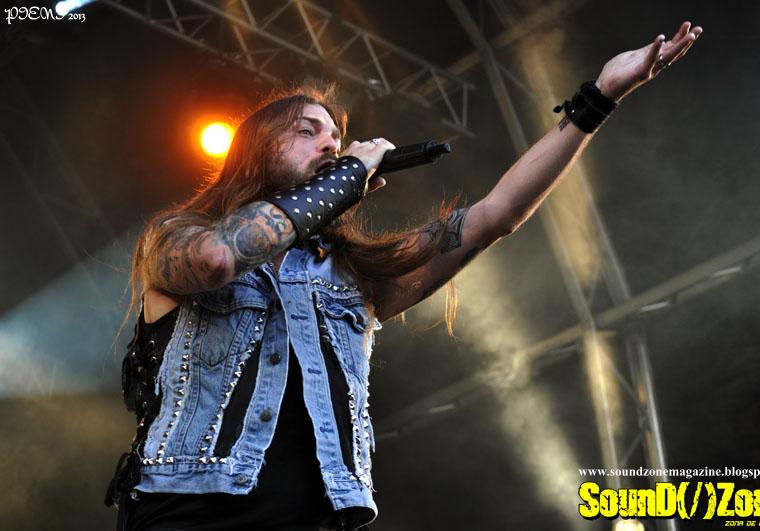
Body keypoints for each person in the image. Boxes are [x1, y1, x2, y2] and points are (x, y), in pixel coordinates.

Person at [104, 21, 702, 531]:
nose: (331, 145)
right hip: (189, 511)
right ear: (255, 148)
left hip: (320, 514)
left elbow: (494, 216)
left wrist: (600, 97)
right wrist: (345, 179)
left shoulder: (350, 274)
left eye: (336, 138)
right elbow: (217, 260)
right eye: (307, 131)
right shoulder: (177, 236)